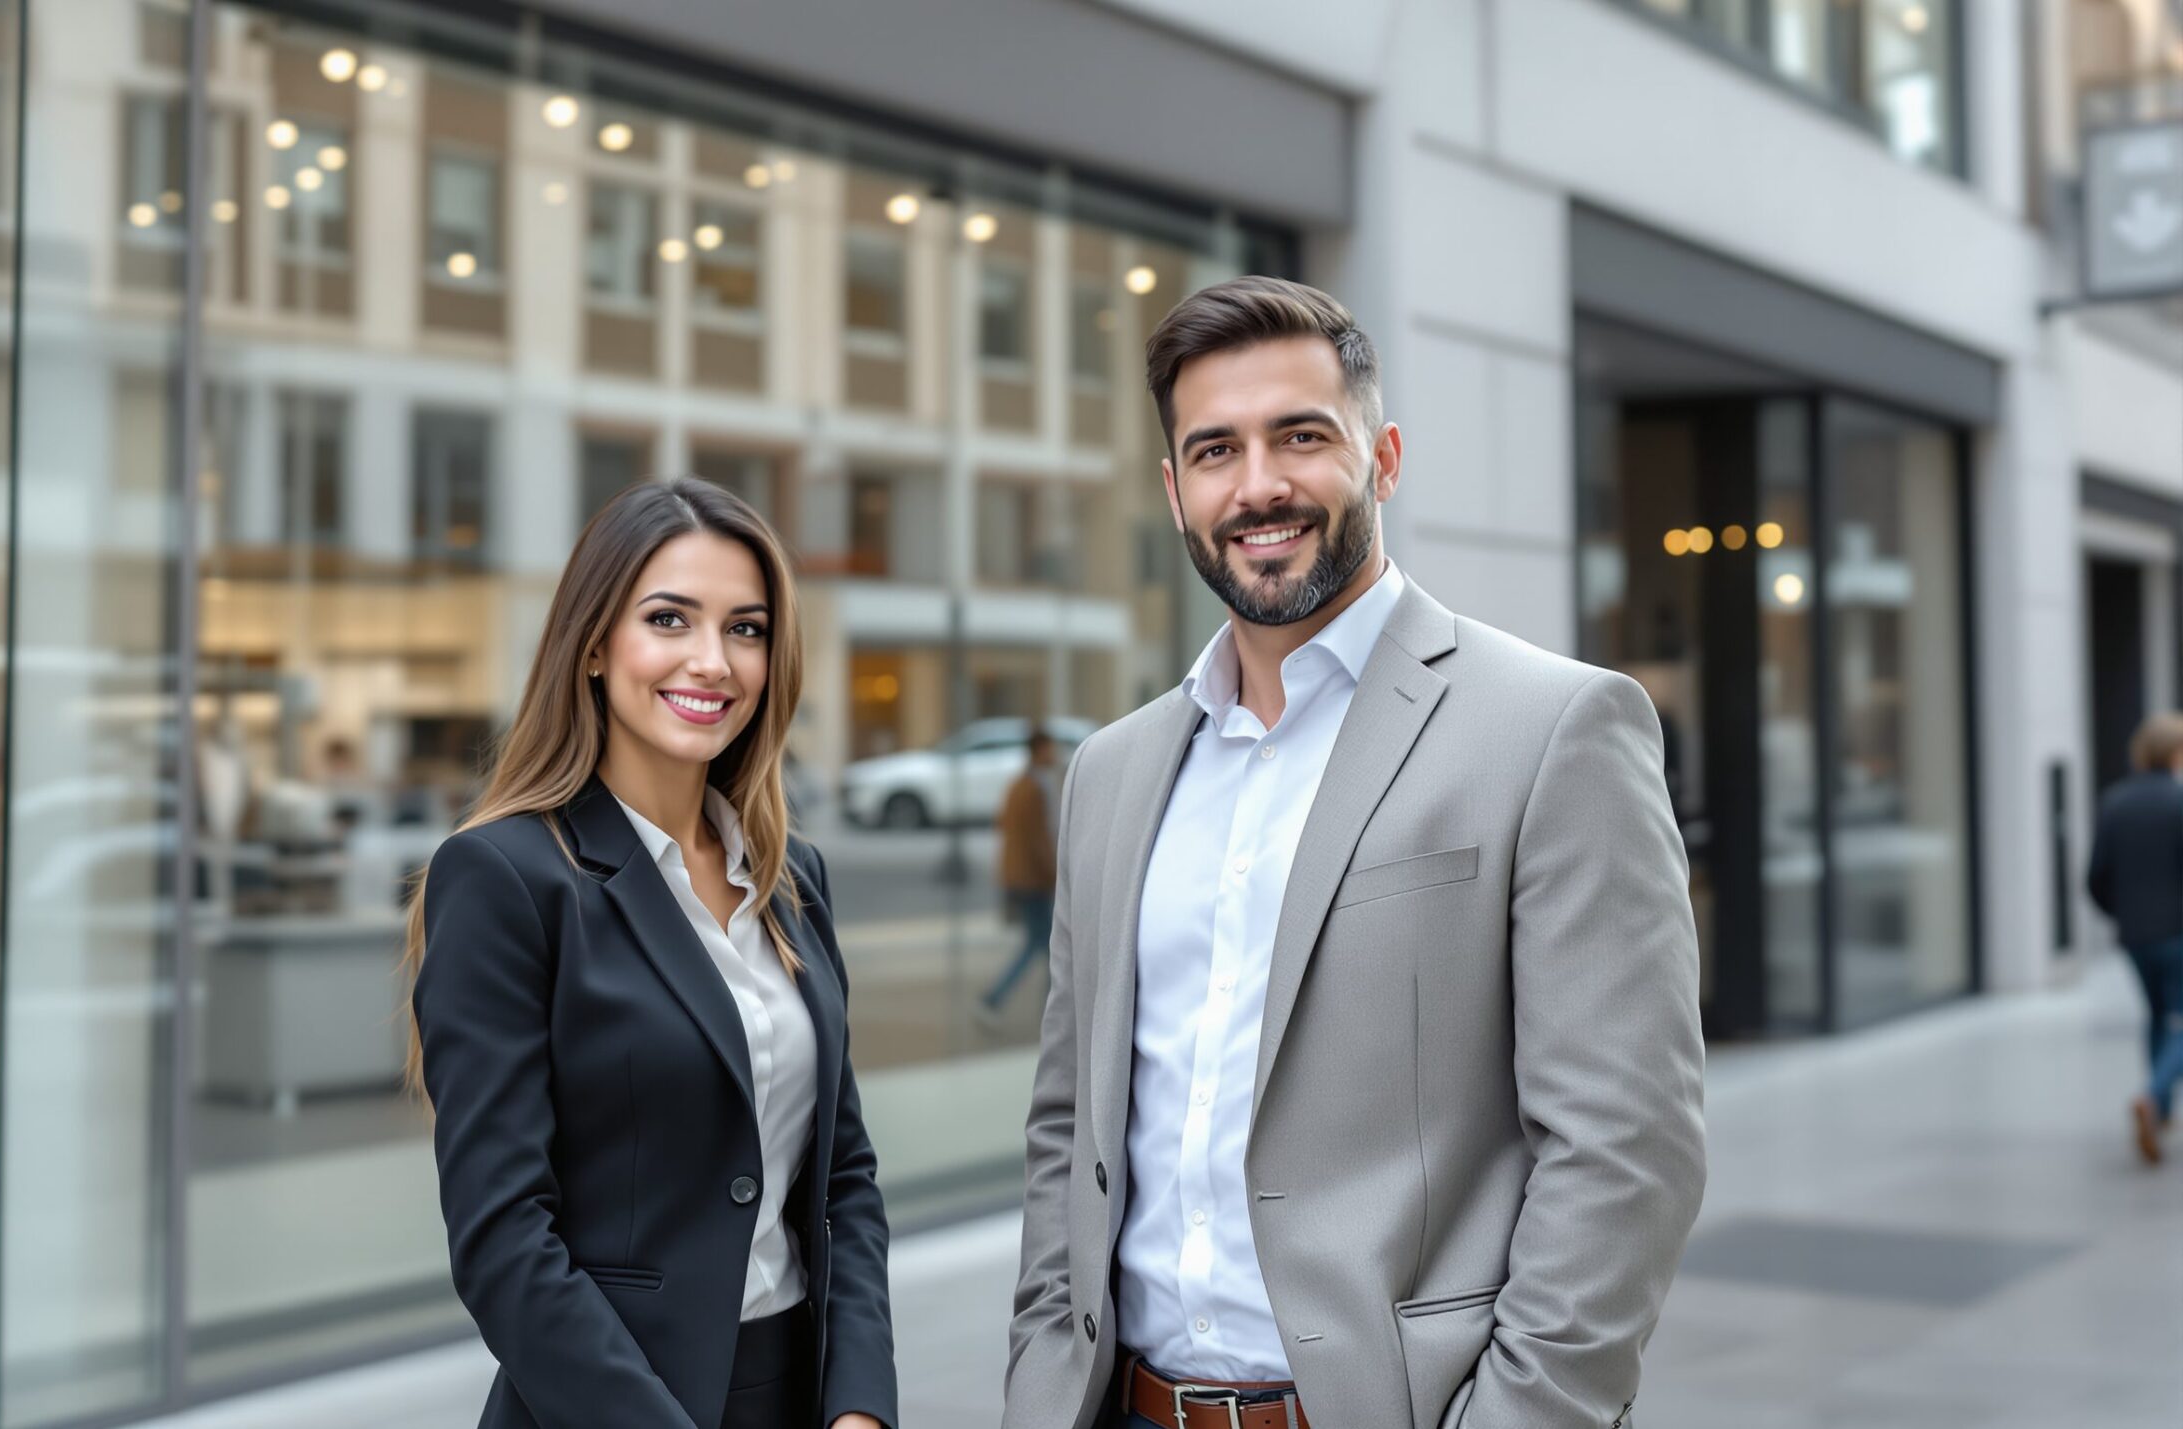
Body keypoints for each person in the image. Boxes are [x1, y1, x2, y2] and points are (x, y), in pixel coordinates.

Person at [1004, 276, 1705, 1429]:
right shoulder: (1114, 773)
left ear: (1381, 456)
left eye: (1300, 436)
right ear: (1176, 493)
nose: (1260, 484)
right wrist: (1039, 1379)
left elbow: (1627, 1149)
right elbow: (1066, 1128)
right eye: (1215, 450)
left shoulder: (1553, 729)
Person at [407, 478, 897, 1429]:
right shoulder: (504, 878)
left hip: (796, 1395)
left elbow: (843, 1179)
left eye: (745, 629)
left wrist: (860, 1405)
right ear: (594, 643)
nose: (712, 662)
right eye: (669, 619)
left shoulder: (793, 878)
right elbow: (504, 1239)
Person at [2085, 711, 2183, 1167]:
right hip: (2178, 933)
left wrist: (2122, 914)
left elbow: (2096, 876)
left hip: (2135, 935)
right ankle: (2153, 1096)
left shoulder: (2116, 802)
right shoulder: (2179, 801)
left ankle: (2160, 1110)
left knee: (2158, 1016)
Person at [980, 725, 1063, 1020]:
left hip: (1025, 877)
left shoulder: (1023, 784)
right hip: (1034, 879)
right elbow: (1037, 838)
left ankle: (1049, 1007)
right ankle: (995, 1000)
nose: (1055, 754)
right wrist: (1056, 873)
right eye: (1051, 748)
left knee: (1044, 944)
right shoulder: (1032, 787)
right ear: (1040, 750)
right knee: (1043, 944)